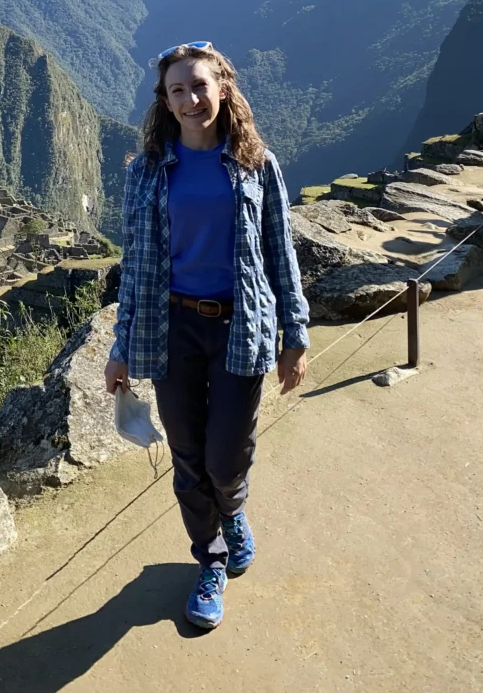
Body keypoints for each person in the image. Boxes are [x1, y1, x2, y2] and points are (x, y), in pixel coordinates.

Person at [104, 42, 310, 631]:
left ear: (223, 88)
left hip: (240, 324)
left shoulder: (256, 165)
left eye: (199, 86)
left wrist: (294, 335)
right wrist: (122, 348)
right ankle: (211, 557)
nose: (191, 99)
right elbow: (137, 264)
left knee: (226, 457)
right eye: (177, 90)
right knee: (188, 457)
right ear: (164, 103)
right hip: (173, 328)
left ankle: (233, 508)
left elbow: (280, 253)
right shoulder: (146, 172)